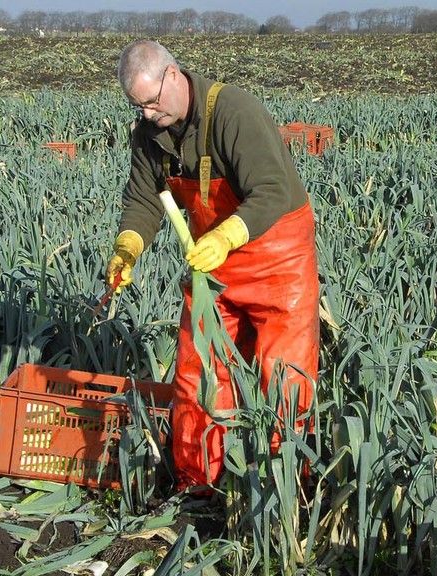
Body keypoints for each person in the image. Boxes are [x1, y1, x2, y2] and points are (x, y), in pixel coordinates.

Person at [105, 40, 319, 490]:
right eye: (136, 105)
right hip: (214, 272)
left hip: (277, 262)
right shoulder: (149, 135)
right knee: (197, 373)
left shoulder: (233, 112)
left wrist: (225, 236)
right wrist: (128, 247)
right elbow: (145, 199)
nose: (146, 114)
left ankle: (283, 489)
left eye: (150, 102)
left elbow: (272, 190)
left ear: (173, 75)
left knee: (284, 377)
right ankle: (197, 480)